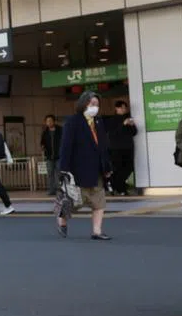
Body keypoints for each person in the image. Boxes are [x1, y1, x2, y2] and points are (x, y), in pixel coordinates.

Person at [56, 91, 113, 240]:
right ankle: (62, 220)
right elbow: (66, 146)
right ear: (83, 104)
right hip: (78, 169)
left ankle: (97, 231)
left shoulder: (99, 122)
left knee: (99, 201)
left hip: (97, 169)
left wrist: (107, 167)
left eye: (97, 105)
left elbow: (103, 147)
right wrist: (64, 168)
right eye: (92, 104)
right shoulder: (73, 122)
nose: (95, 107)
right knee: (74, 201)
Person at [104, 100, 138, 196]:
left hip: (128, 147)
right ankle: (120, 188)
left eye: (125, 107)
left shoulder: (128, 118)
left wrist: (132, 125)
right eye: (121, 107)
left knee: (129, 167)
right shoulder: (112, 120)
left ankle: (113, 183)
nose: (124, 109)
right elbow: (113, 134)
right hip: (116, 148)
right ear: (116, 108)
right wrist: (123, 124)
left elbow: (134, 132)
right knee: (118, 168)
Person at [40, 114, 62, 196]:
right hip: (49, 156)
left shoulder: (60, 130)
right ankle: (51, 190)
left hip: (59, 156)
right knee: (50, 173)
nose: (48, 123)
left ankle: (60, 189)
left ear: (54, 121)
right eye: (47, 121)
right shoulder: (45, 132)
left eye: (50, 121)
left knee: (59, 173)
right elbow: (42, 143)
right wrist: (42, 148)